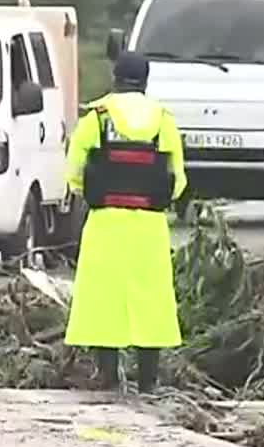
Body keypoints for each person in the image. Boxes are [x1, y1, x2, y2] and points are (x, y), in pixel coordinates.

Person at [65, 52, 186, 394]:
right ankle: (148, 381)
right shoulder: (164, 121)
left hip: (105, 223)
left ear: (115, 77)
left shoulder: (97, 119)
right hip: (149, 226)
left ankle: (107, 376)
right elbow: (177, 181)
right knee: (151, 301)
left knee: (105, 300)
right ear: (146, 81)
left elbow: (73, 173)